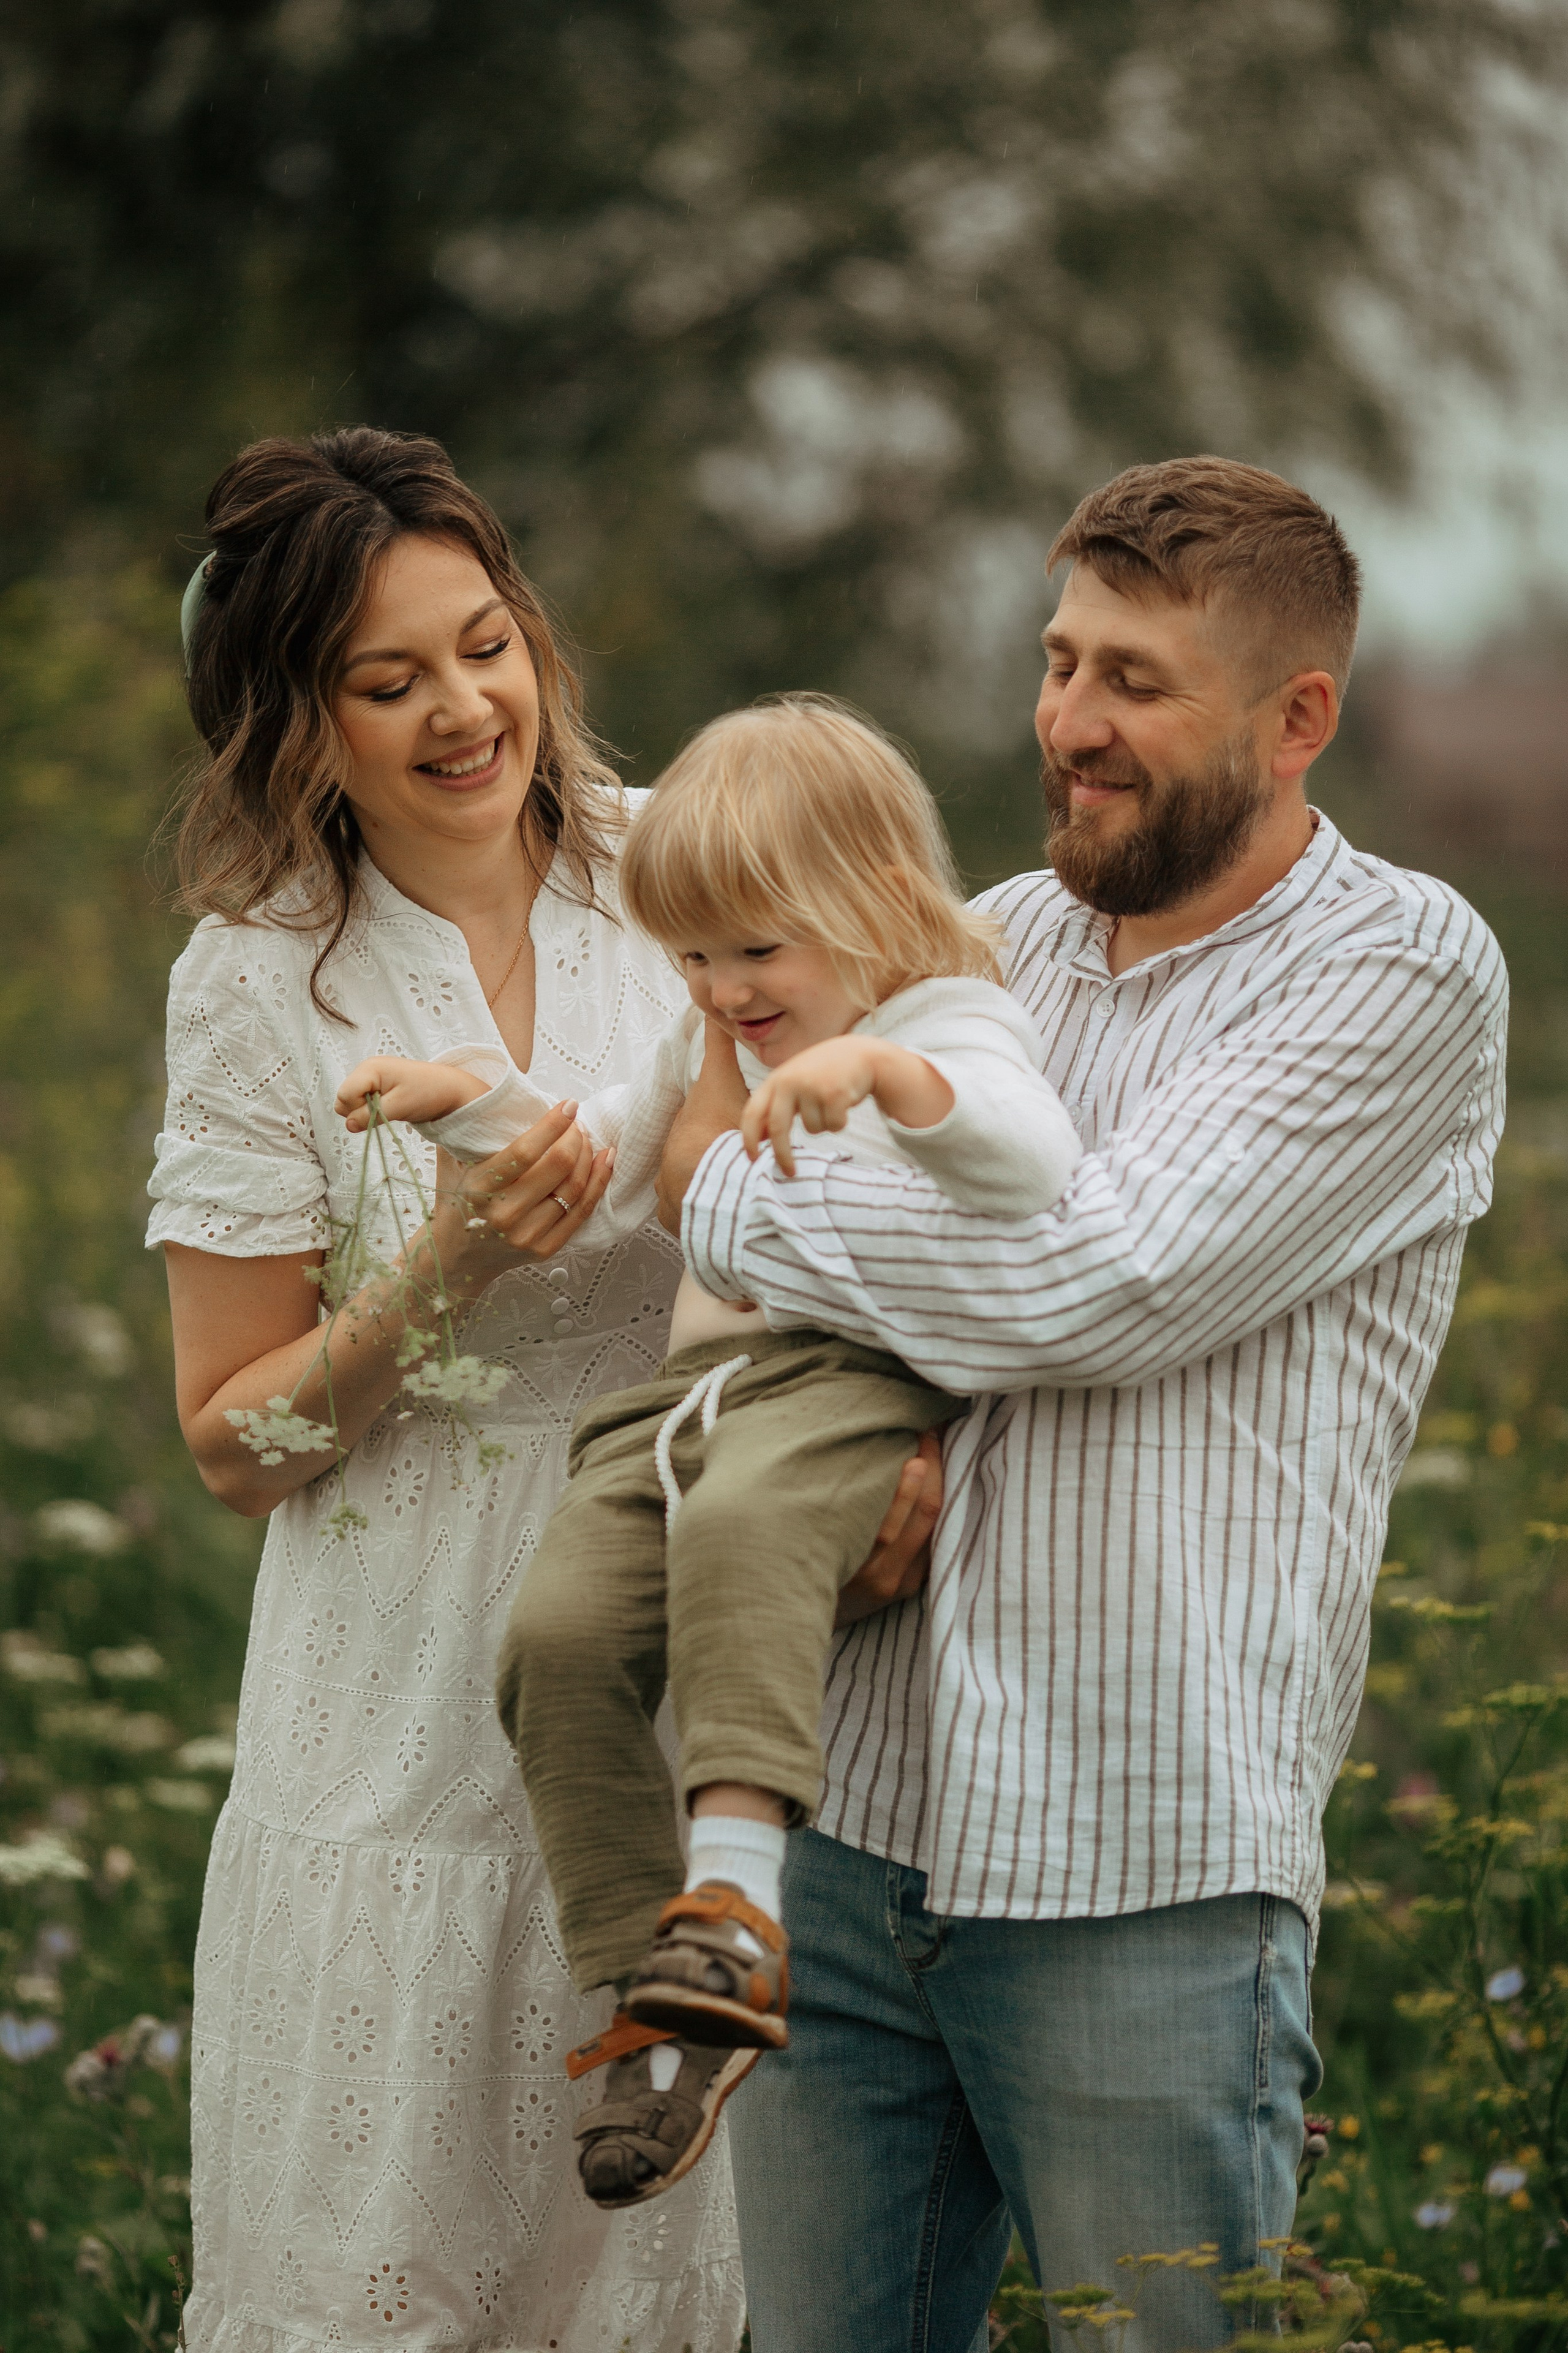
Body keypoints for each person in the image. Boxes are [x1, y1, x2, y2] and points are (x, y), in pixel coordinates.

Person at [659, 458, 1509, 2351]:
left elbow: (1096, 1281)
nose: (1068, 724)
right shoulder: (991, 944)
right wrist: (758, 1204)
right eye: (1058, 663)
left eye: (1133, 678)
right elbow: (729, 1203)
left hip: (1143, 1867)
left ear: (1299, 721)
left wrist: (745, 1192)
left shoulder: (1404, 967)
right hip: (850, 1825)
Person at [150, 423, 787, 2353]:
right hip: (389, 1729)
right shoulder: (259, 982)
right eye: (389, 677)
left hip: (669, 1671)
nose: (464, 709)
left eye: (487, 643)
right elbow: (233, 1443)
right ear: (296, 722)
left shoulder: (684, 862)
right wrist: (452, 1259)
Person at [333, 698, 1083, 2210]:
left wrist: (882, 1080)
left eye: (755, 951)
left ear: (870, 905)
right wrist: (468, 1101)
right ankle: (656, 1999)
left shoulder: (943, 1018)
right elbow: (604, 1158)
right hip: (678, 1405)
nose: (722, 989)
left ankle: (737, 1902)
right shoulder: (712, 1034)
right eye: (691, 955)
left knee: (743, 1533)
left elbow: (1031, 1154)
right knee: (551, 1635)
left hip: (836, 1390)